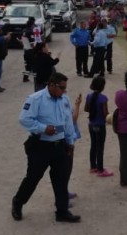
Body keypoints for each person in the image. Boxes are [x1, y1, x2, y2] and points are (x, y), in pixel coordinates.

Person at [11, 72, 81, 223]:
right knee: (33, 178)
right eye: (61, 88)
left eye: (65, 88)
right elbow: (24, 119)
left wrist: (70, 142)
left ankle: (62, 211)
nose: (64, 91)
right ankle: (18, 202)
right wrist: (43, 128)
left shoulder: (64, 99)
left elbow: (68, 122)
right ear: (51, 85)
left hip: (60, 145)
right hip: (40, 146)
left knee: (61, 179)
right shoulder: (36, 99)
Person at [84, 76, 113, 177]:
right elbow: (105, 113)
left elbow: (86, 109)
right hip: (100, 125)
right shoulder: (103, 98)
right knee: (100, 147)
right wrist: (110, 117)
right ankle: (101, 169)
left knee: (93, 145)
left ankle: (93, 166)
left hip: (91, 125)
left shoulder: (89, 96)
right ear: (102, 87)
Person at [21, 16, 42, 83]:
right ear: (32, 25)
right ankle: (37, 79)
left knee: (28, 65)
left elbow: (20, 40)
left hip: (26, 51)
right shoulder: (30, 32)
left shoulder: (24, 30)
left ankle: (25, 78)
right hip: (31, 51)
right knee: (35, 64)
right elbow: (32, 43)